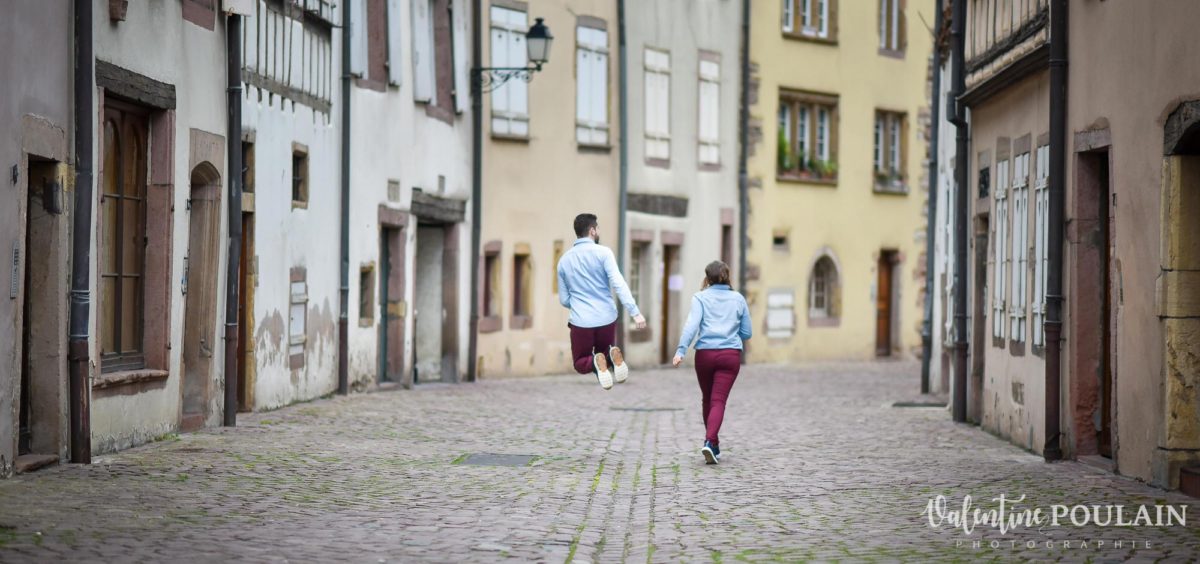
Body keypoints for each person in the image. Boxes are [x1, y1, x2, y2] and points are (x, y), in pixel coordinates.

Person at [672, 261, 752, 465]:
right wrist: (731, 331)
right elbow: (747, 332)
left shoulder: (700, 297)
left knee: (707, 399)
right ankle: (711, 441)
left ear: (707, 278)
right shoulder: (738, 299)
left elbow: (692, 325)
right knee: (719, 401)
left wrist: (681, 350)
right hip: (729, 355)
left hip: (705, 355)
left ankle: (712, 443)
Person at [557, 213, 647, 390]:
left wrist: (577, 304)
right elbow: (618, 284)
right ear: (592, 231)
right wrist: (635, 313)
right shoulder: (604, 253)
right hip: (607, 318)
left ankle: (597, 361)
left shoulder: (564, 261)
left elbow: (564, 299)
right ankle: (612, 356)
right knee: (605, 353)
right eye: (597, 229)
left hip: (581, 321)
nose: (598, 232)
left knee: (581, 362)